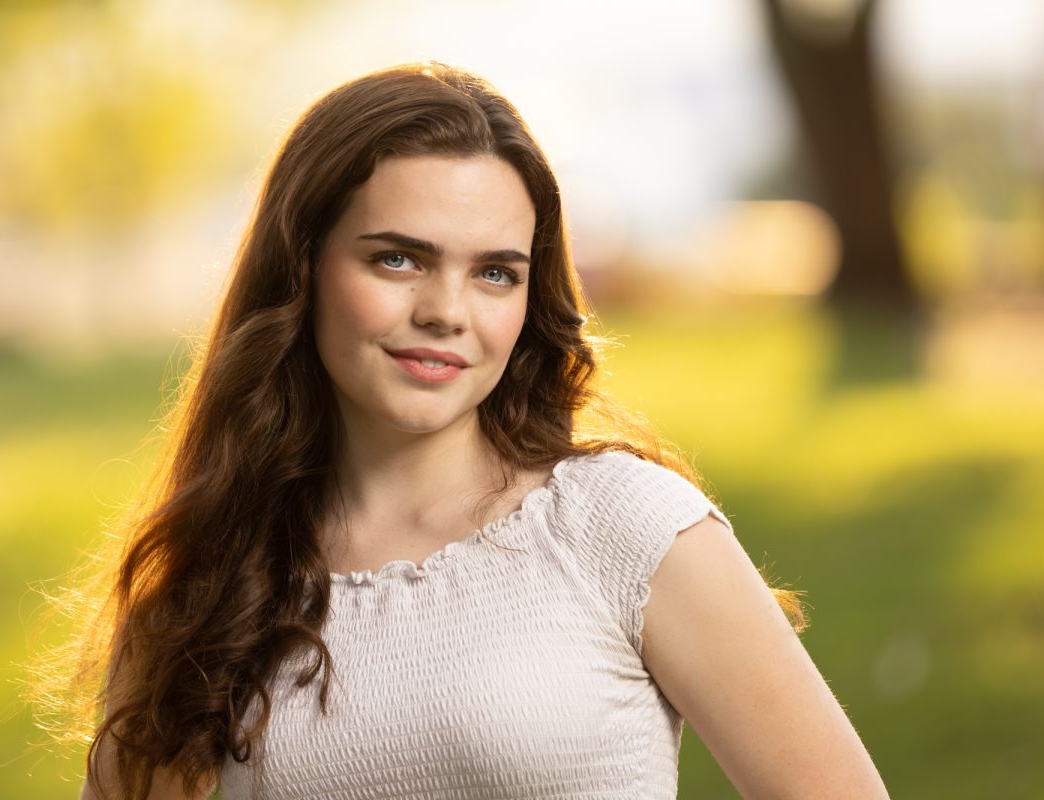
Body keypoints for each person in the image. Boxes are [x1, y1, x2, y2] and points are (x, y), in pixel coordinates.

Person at [64, 62, 889, 799]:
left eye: (495, 273)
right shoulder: (203, 581)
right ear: (302, 266)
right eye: (398, 259)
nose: (446, 312)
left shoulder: (625, 528)